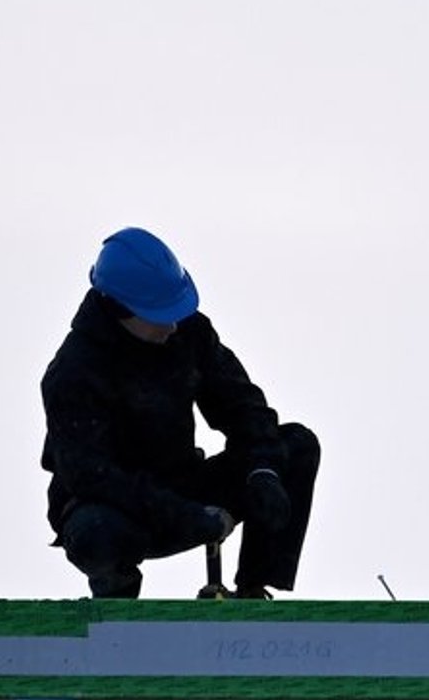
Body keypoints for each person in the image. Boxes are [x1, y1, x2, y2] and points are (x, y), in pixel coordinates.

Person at [41, 227, 320, 599]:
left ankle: (254, 592)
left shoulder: (189, 333)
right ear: (121, 310)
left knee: (296, 446)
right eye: (160, 316)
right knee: (96, 531)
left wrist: (263, 472)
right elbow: (92, 477)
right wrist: (186, 516)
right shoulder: (73, 373)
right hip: (117, 506)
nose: (172, 326)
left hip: (184, 485)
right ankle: (118, 606)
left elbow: (243, 406)